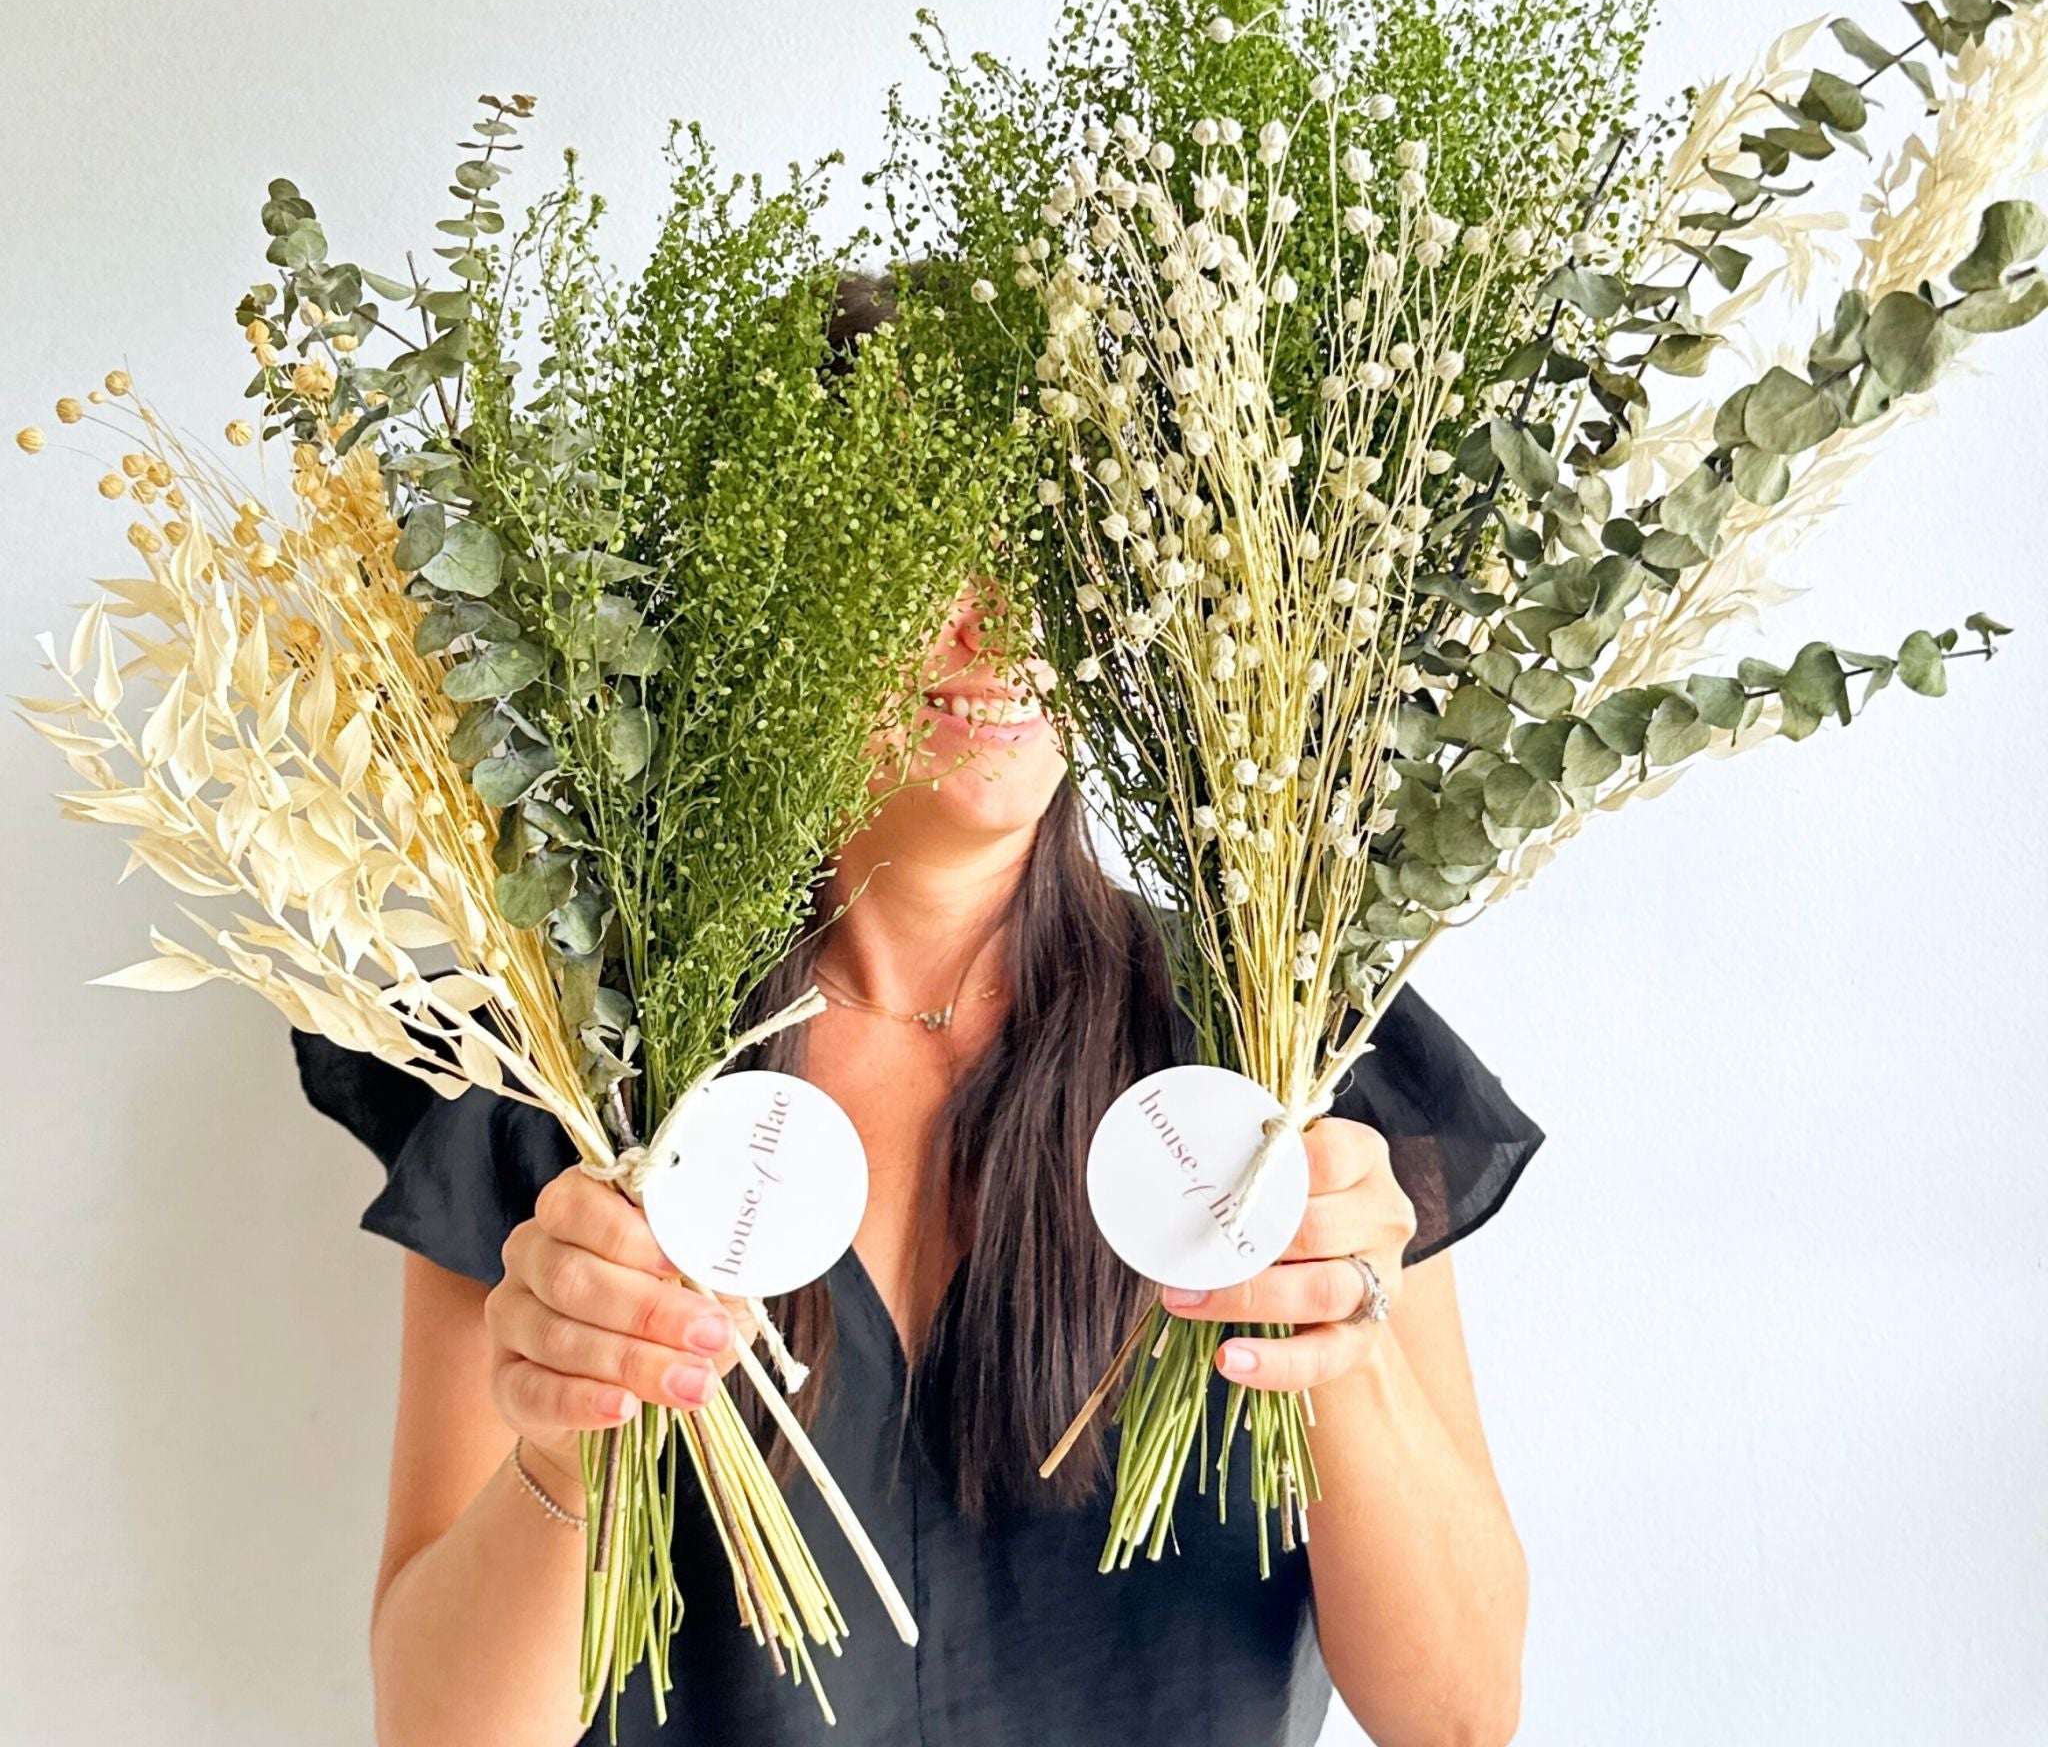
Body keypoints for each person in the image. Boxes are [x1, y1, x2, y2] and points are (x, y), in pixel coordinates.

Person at [295, 293, 1546, 1747]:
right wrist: (568, 1444)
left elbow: (1460, 1717)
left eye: (1045, 548)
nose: (1001, 620)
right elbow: (439, 1729)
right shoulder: (566, 1068)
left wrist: (1350, 1346)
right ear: (769, 586)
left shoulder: (1285, 1038)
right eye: (921, 541)